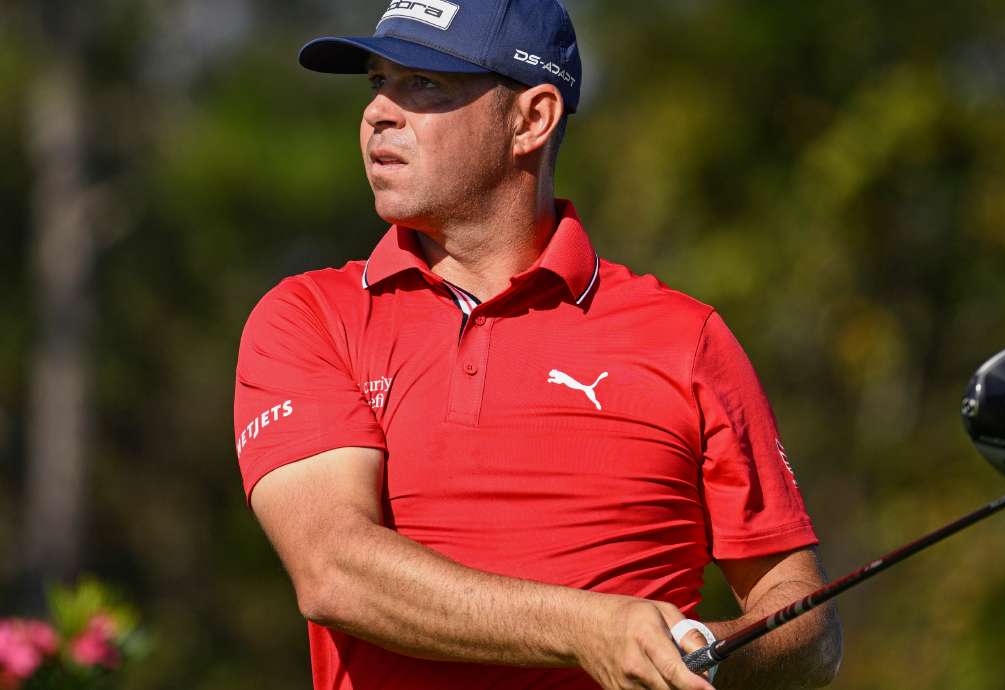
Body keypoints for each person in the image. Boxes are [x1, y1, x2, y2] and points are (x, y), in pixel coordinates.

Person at [232, 1, 842, 688]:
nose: (378, 113)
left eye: (424, 84)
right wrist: (588, 629)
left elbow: (808, 630)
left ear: (532, 119)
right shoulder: (311, 317)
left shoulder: (687, 338)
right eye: (378, 82)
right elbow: (335, 571)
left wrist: (707, 654)